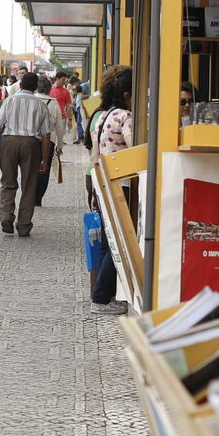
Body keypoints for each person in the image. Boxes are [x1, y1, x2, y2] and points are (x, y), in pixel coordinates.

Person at [89, 66, 133, 315]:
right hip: (121, 185)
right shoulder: (125, 117)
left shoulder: (103, 117)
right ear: (127, 94)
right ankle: (101, 298)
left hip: (104, 184)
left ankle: (103, 296)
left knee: (109, 242)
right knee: (119, 242)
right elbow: (134, 148)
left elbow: (95, 157)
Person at [0, 72, 52, 237]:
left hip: (9, 142)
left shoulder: (9, 101)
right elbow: (46, 136)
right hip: (31, 144)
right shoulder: (41, 105)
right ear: (36, 87)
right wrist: (45, 160)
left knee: (7, 182)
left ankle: (6, 217)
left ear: (21, 85)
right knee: (29, 186)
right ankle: (24, 225)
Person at [33, 76, 66, 207]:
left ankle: (29, 194)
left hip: (32, 139)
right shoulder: (53, 102)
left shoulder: (32, 99)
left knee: (30, 167)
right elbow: (59, 127)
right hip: (49, 141)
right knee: (44, 168)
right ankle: (38, 198)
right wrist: (59, 145)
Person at [49, 72, 73, 137]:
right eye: (63, 80)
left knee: (60, 138)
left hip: (62, 118)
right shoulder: (49, 89)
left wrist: (70, 120)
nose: (64, 82)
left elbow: (68, 107)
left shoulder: (66, 92)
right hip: (50, 117)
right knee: (50, 137)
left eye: (65, 80)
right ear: (57, 78)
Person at [69, 76, 85, 144]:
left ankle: (80, 137)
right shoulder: (78, 95)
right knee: (79, 123)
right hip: (78, 109)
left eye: (74, 90)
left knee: (79, 123)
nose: (73, 91)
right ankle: (80, 137)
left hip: (79, 109)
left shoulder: (80, 95)